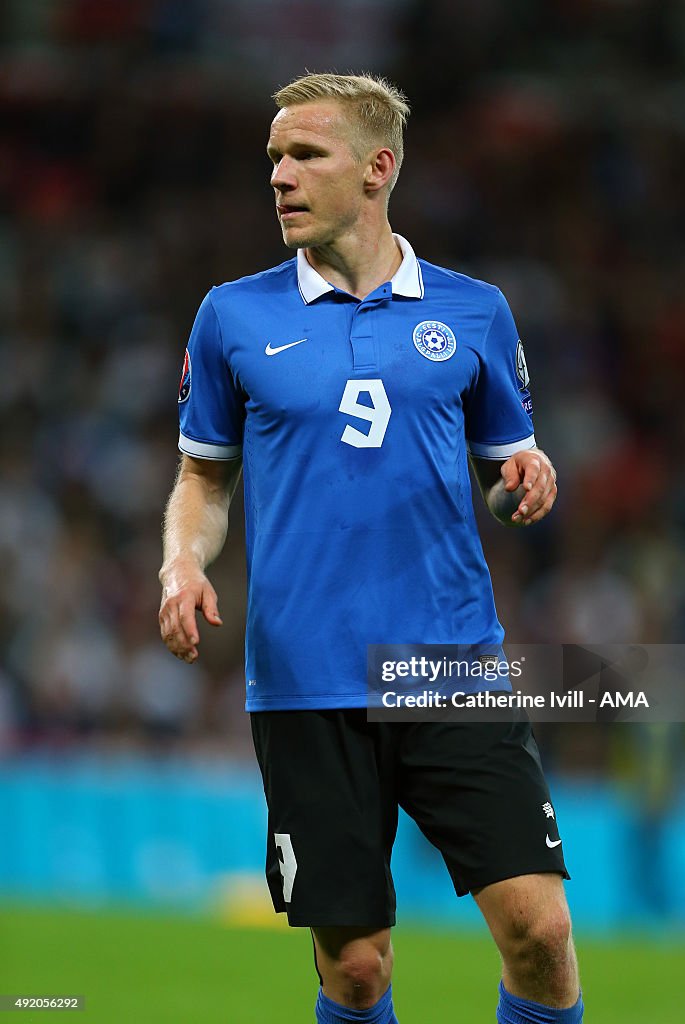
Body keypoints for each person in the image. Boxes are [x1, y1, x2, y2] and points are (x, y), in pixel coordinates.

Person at [159, 72, 583, 1024]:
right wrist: (181, 562)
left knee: (541, 935)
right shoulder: (233, 315)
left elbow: (508, 461)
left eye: (304, 154)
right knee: (356, 971)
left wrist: (525, 481)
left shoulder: (475, 312)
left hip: (448, 665)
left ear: (376, 168)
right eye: (273, 156)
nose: (279, 175)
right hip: (307, 680)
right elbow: (203, 478)